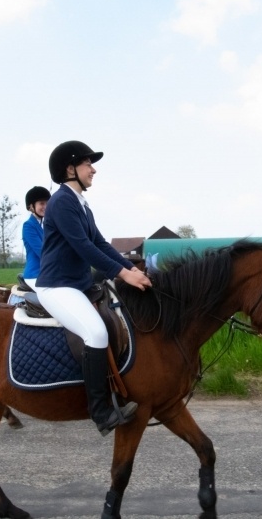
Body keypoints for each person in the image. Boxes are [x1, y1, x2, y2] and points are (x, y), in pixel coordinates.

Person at [35, 140, 152, 436]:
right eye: (88, 164)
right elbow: (83, 247)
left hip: (79, 284)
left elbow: (100, 243)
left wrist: (130, 269)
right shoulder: (61, 202)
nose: (93, 170)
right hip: (58, 287)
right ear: (70, 169)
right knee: (96, 333)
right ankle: (100, 411)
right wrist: (123, 274)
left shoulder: (80, 204)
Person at [21, 185, 51, 289]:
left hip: (49, 273)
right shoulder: (28, 226)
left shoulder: (47, 225)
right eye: (41, 203)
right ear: (31, 206)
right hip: (35, 274)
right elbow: (42, 252)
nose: (45, 206)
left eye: (47, 203)